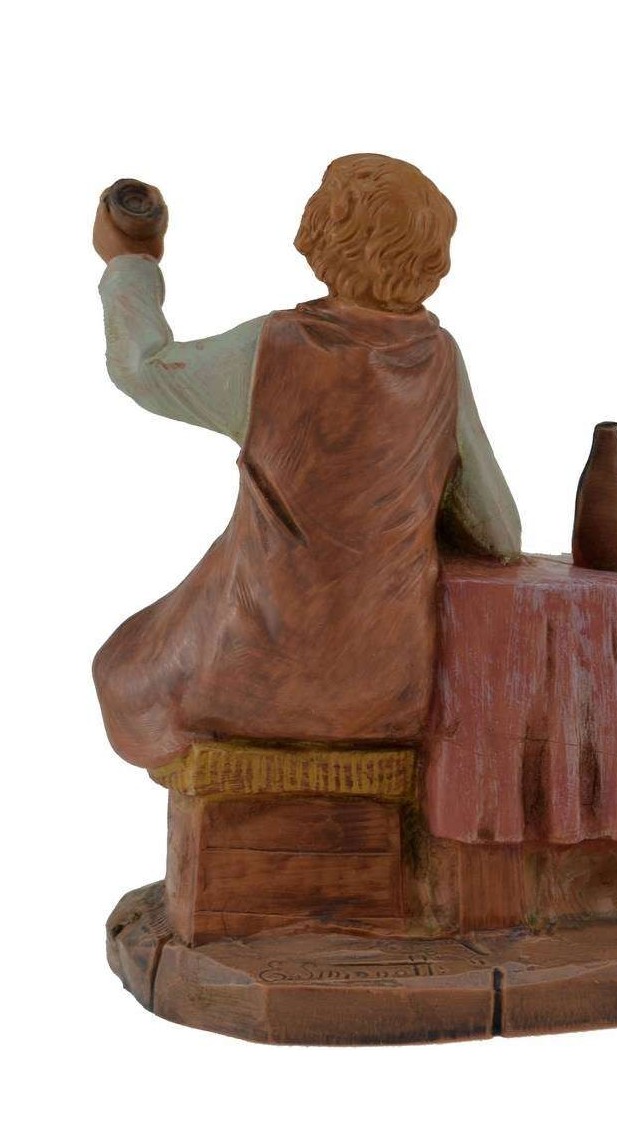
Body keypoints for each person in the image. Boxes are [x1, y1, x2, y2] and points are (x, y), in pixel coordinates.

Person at [91, 154, 521, 769]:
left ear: (326, 229)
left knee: (123, 669)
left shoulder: (274, 348)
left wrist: (131, 263)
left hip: (254, 669)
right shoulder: (439, 359)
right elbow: (499, 533)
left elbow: (142, 369)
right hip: (389, 683)